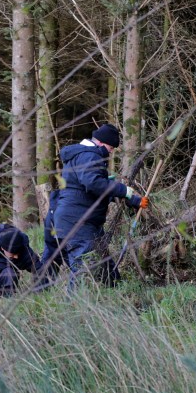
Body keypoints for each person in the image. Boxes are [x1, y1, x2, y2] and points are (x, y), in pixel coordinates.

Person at [52, 123, 148, 287]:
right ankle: (74, 307)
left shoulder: (81, 155)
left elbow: (90, 189)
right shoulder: (90, 156)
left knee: (106, 268)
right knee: (83, 273)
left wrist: (132, 199)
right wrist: (123, 190)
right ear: (102, 143)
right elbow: (93, 183)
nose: (110, 153)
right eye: (111, 148)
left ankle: (117, 297)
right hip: (78, 224)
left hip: (83, 223)